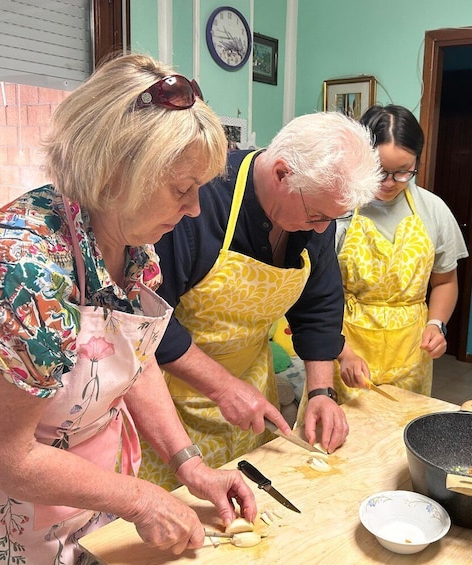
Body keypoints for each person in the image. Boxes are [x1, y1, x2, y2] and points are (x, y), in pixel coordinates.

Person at [0, 53, 258, 563]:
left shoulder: (130, 242)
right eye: (183, 190)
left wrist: (190, 465)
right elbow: (2, 456)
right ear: (115, 172)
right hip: (14, 516)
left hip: (95, 500)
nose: (192, 211)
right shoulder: (21, 270)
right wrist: (139, 497)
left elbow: (131, 360)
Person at [137, 112, 382, 490]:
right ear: (282, 174)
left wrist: (321, 391)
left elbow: (319, 307)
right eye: (317, 215)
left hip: (253, 395)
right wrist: (222, 387)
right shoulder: (199, 200)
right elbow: (151, 320)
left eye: (331, 219)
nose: (322, 229)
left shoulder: (315, 209)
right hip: (169, 402)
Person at [326, 104, 468, 403]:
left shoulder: (434, 210)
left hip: (410, 354)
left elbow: (444, 282)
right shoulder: (335, 209)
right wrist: (341, 351)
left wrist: (436, 324)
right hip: (345, 349)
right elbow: (317, 293)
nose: (389, 183)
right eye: (379, 171)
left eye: (403, 172)